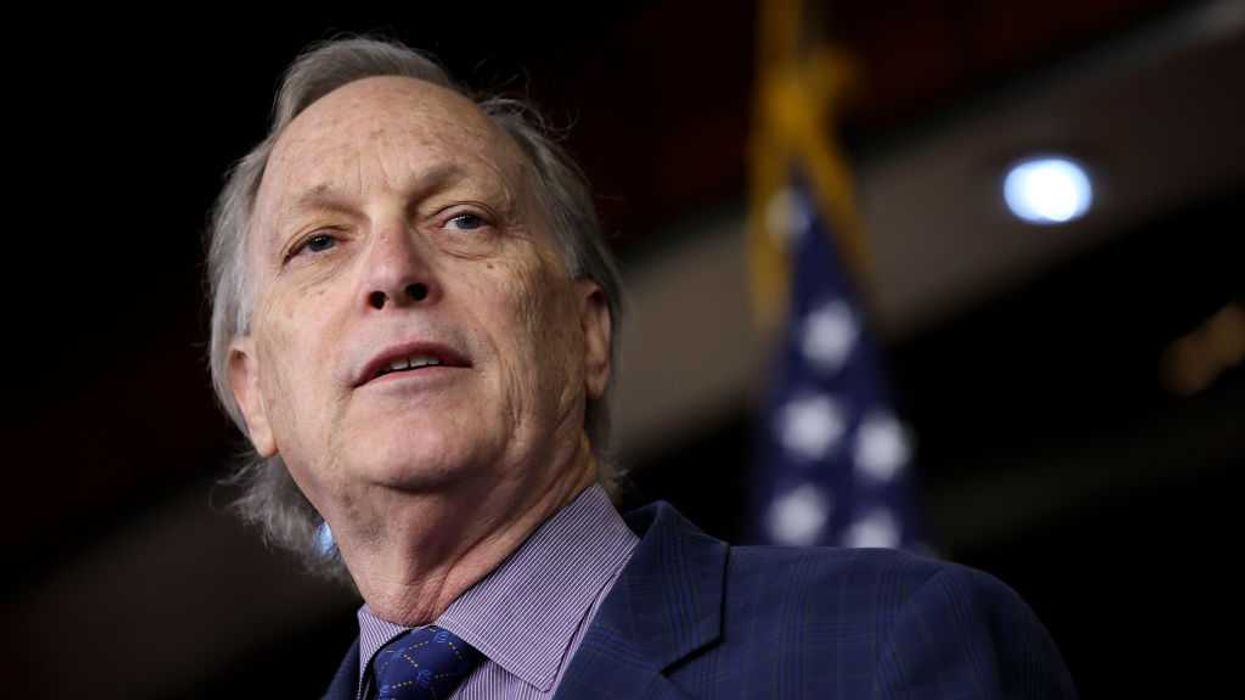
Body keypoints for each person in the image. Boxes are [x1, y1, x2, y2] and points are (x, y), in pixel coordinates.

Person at [206, 37, 1077, 699]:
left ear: (587, 334)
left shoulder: (889, 647)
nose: (393, 271)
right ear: (255, 395)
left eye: (463, 219)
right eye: (319, 242)